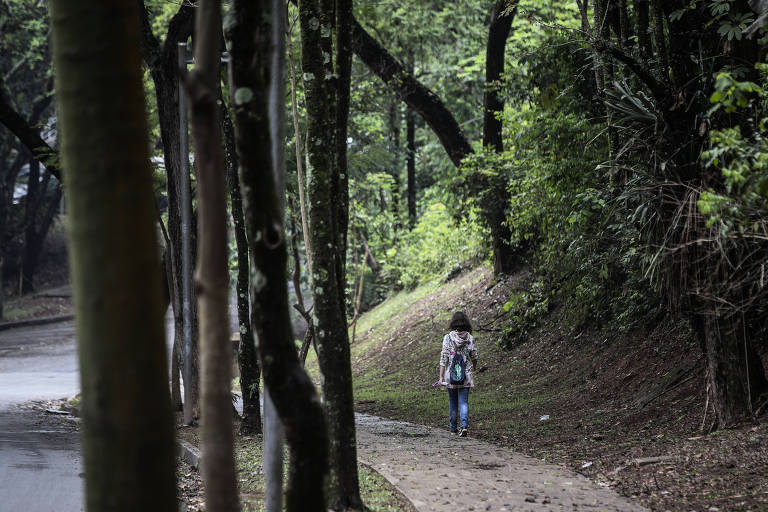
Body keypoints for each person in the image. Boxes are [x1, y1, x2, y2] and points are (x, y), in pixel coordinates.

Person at [438, 311, 478, 437]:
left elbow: (444, 358)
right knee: (464, 402)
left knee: (452, 402)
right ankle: (464, 426)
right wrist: (474, 366)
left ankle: (453, 428)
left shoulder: (448, 338)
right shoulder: (470, 338)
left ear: (453, 323)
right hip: (465, 376)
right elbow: (474, 356)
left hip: (451, 375)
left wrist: (441, 376)